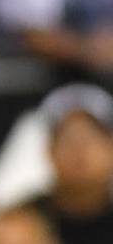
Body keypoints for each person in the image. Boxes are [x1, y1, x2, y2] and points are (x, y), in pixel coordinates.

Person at [28, 83, 113, 243]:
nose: (79, 151)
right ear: (49, 150)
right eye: (68, 139)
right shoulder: (24, 221)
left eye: (90, 138)